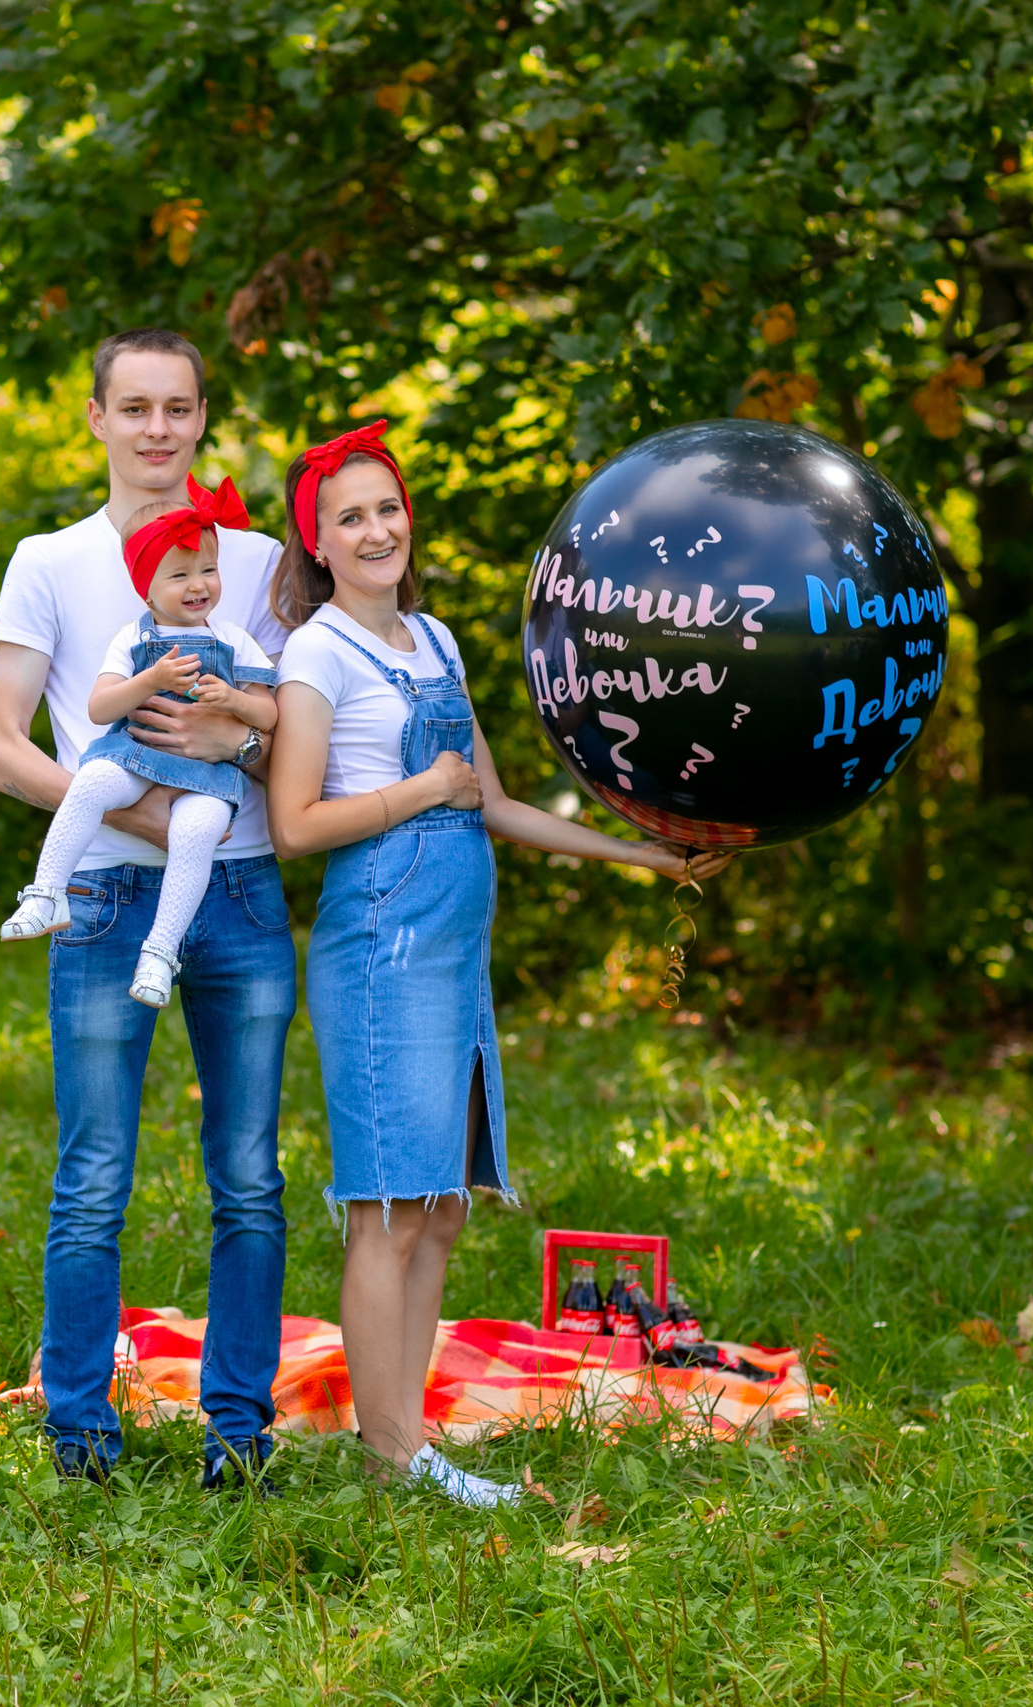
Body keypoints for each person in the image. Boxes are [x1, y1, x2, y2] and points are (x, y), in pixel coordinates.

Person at [264, 421, 730, 1505]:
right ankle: (390, 1459)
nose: (376, 529)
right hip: (380, 952)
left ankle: (405, 1438)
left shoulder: (432, 639)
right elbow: (295, 822)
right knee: (389, 1204)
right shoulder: (317, 654)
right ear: (318, 544)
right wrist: (421, 792)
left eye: (387, 508)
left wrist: (646, 851)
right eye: (350, 517)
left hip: (451, 956)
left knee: (441, 1206)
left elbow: (501, 803)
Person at [0, 328, 296, 1490]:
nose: (158, 429)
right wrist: (150, 824)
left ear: (203, 418)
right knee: (93, 1175)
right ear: (98, 419)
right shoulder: (49, 561)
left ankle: (238, 1434)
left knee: (249, 1178)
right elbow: (2, 751)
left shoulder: (257, 564)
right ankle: (78, 1437)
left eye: (180, 408)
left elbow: (307, 735)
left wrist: (244, 732)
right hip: (109, 898)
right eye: (136, 408)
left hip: (246, 898)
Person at [0, 479, 279, 1009]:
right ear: (145, 588)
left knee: (197, 830)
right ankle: (47, 893)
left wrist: (234, 700)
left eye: (209, 571)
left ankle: (160, 949)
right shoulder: (133, 638)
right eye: (179, 575)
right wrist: (149, 680)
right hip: (137, 756)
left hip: (207, 775)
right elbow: (100, 708)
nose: (199, 585)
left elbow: (269, 713)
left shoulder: (233, 640)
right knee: (93, 781)